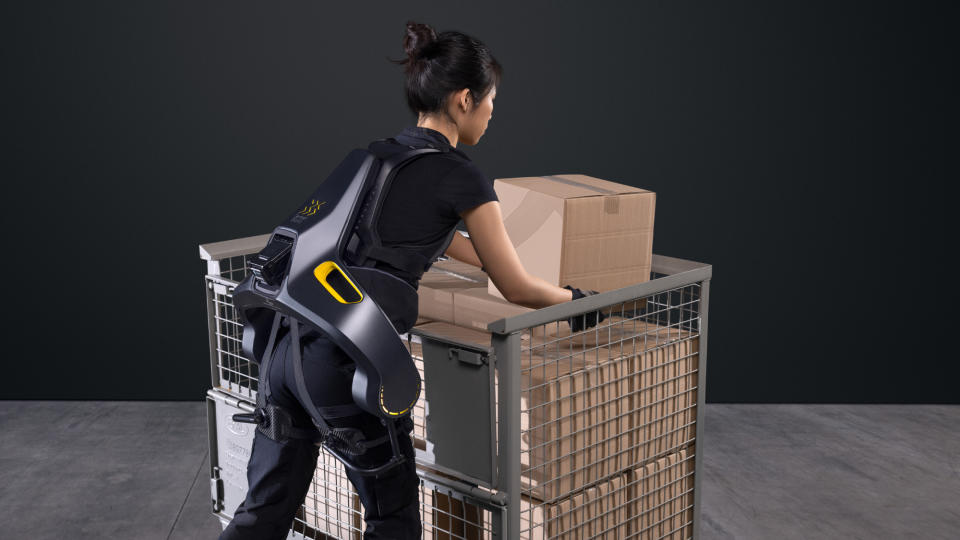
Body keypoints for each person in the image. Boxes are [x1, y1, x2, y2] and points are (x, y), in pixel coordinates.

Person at [219, 20, 603, 540]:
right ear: (465, 99)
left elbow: (425, 241)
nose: (493, 114)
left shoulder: (376, 158)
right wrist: (580, 302)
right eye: (492, 101)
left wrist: (498, 257)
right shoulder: (459, 173)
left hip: (281, 350)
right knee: (392, 524)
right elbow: (515, 288)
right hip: (341, 360)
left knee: (261, 517)